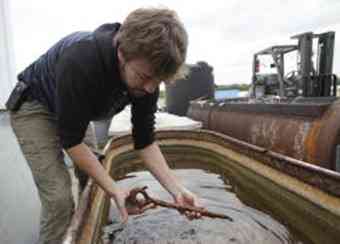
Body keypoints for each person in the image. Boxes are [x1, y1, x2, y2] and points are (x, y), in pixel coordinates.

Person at [7, 7, 203, 244]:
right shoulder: (81, 60)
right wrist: (115, 190)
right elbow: (72, 141)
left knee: (93, 178)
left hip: (75, 108)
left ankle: (84, 230)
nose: (151, 89)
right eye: (143, 77)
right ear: (122, 53)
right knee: (59, 198)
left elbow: (145, 140)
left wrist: (178, 191)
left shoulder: (148, 75)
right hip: (35, 106)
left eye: (158, 81)